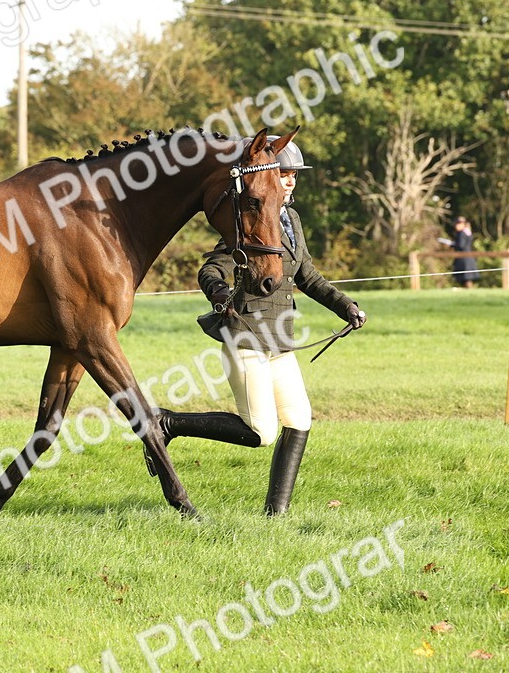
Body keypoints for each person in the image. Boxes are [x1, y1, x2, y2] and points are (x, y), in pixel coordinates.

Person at [146, 138, 366, 516]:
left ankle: (274, 516)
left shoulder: (292, 221)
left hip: (279, 339)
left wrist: (345, 306)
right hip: (245, 335)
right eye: (283, 173)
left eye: (294, 174)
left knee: (299, 420)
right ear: (266, 176)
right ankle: (166, 422)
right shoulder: (249, 223)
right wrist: (217, 294)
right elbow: (212, 269)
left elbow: (308, 276)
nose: (291, 180)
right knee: (261, 432)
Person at [450, 217, 480, 288]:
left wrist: (452, 244)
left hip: (463, 259)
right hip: (468, 257)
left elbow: (461, 245)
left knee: (466, 277)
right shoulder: (467, 232)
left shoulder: (462, 233)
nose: (456, 226)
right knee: (466, 278)